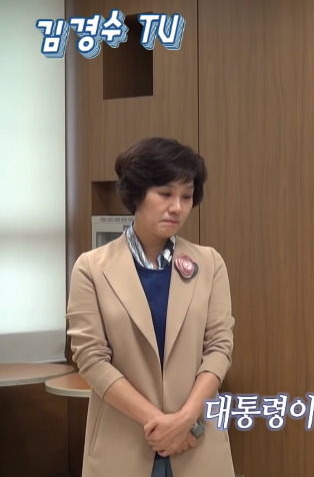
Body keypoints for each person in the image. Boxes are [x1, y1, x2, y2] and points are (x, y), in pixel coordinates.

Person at [67, 137, 236, 477]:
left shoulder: (209, 263)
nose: (177, 207)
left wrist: (185, 419)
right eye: (165, 193)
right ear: (137, 193)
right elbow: (91, 359)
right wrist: (161, 424)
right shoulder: (91, 268)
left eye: (186, 196)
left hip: (196, 440)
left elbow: (219, 348)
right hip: (123, 443)